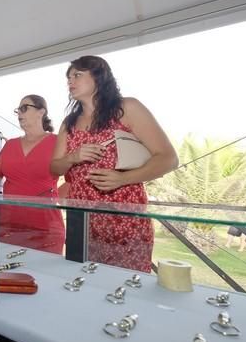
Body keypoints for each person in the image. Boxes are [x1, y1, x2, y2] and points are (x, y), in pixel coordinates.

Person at [50, 55, 178, 272]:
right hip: (81, 220)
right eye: (69, 77)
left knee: (126, 286)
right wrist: (72, 157)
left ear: (99, 77)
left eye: (77, 75)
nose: (70, 81)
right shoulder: (69, 122)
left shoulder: (126, 108)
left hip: (124, 219)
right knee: (81, 282)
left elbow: (168, 158)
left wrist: (122, 178)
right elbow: (54, 168)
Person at [0, 95, 65, 253]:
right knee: (6, 275)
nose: (19, 114)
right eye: (18, 110)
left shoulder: (57, 142)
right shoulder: (10, 144)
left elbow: (72, 180)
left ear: (41, 112)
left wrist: (50, 198)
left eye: (24, 108)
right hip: (9, 225)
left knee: (43, 276)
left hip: (45, 227)